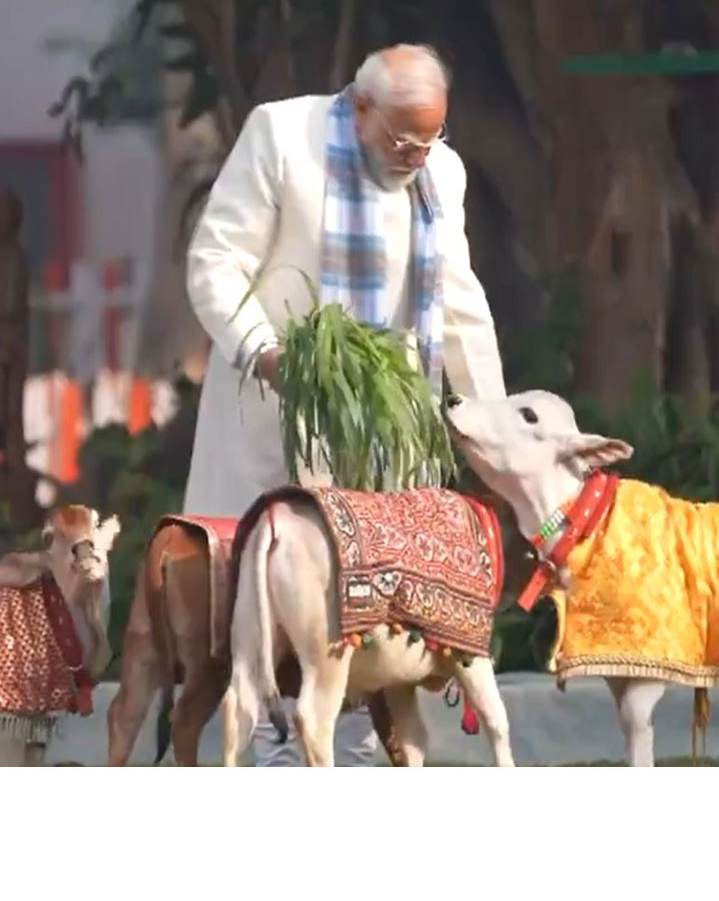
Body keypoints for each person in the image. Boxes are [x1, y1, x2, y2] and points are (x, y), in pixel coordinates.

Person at [182, 43, 506, 766]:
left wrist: (491, 424)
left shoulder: (440, 175)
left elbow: (459, 302)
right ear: (359, 109)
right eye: (402, 138)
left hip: (386, 439)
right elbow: (214, 261)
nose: (418, 155)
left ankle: (358, 746)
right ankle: (269, 742)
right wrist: (267, 354)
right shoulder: (282, 137)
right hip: (278, 420)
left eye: (431, 139)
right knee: (269, 601)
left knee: (371, 610)